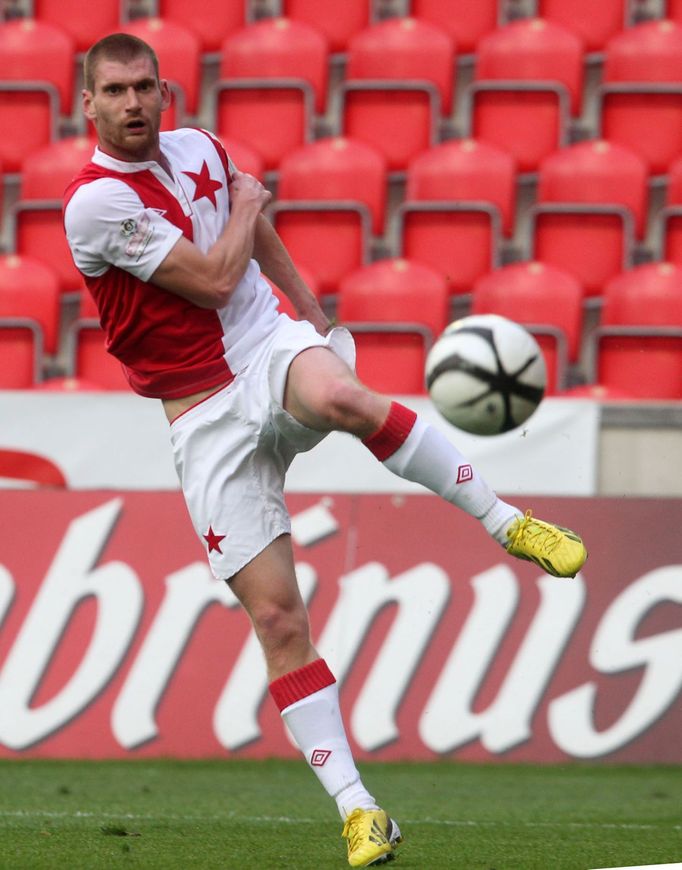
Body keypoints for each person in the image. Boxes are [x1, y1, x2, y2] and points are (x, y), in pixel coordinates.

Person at [63, 33, 587, 868]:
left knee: (341, 395)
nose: (132, 104)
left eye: (143, 88)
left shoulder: (199, 149)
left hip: (265, 345)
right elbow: (211, 275)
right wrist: (243, 205)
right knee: (278, 621)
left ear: (165, 92)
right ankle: (359, 809)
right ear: (86, 104)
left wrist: (318, 320)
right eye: (114, 91)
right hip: (201, 415)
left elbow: (256, 253)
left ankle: (507, 521)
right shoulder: (93, 204)